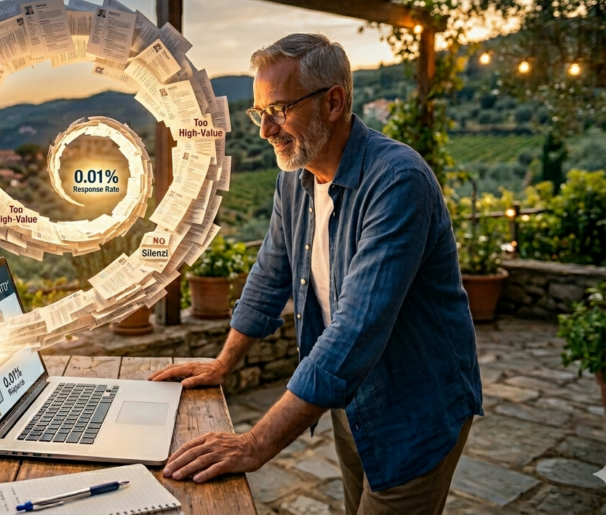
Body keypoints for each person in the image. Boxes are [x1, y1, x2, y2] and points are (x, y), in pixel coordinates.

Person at [150, 33, 483, 515]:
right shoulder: (296, 178)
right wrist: (224, 362)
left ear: (333, 102)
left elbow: (356, 329)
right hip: (352, 398)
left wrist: (256, 444)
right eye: (258, 112)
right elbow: (270, 274)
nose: (265, 130)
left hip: (417, 403)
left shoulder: (397, 182)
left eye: (279, 109)